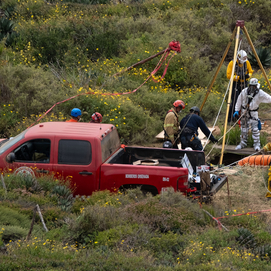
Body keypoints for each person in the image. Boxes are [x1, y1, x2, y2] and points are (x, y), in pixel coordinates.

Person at [233, 78, 271, 151]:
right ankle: (242, 143)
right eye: (251, 85)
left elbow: (268, 98)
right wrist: (237, 110)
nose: (252, 87)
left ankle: (257, 145)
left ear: (256, 86)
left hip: (253, 113)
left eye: (254, 86)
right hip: (244, 112)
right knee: (243, 129)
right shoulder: (244, 91)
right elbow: (239, 100)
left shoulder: (260, 93)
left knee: (255, 130)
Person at [227, 50, 254, 123]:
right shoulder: (232, 63)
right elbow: (229, 75)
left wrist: (248, 76)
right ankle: (230, 118)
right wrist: (238, 77)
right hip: (236, 84)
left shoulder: (247, 62)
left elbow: (250, 71)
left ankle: (242, 116)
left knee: (245, 100)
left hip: (244, 83)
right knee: (235, 100)